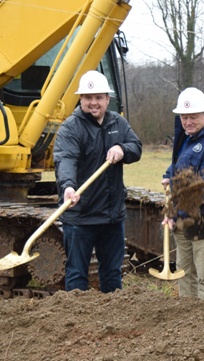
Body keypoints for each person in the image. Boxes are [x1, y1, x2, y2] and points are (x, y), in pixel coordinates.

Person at [54, 70, 142, 293]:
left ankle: (113, 313)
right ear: (80, 99)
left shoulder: (118, 122)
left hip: (112, 217)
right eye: (88, 98)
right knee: (76, 273)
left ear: (107, 99)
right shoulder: (70, 128)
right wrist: (68, 186)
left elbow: (136, 147)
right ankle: (76, 313)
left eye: (98, 97)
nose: (93, 102)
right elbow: (66, 159)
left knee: (112, 273)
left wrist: (122, 149)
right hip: (80, 216)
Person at [161, 87, 204, 308]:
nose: (188, 122)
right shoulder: (186, 140)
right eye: (184, 117)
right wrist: (168, 175)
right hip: (183, 220)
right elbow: (179, 166)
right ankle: (188, 320)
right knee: (185, 272)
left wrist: (174, 211)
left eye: (193, 117)